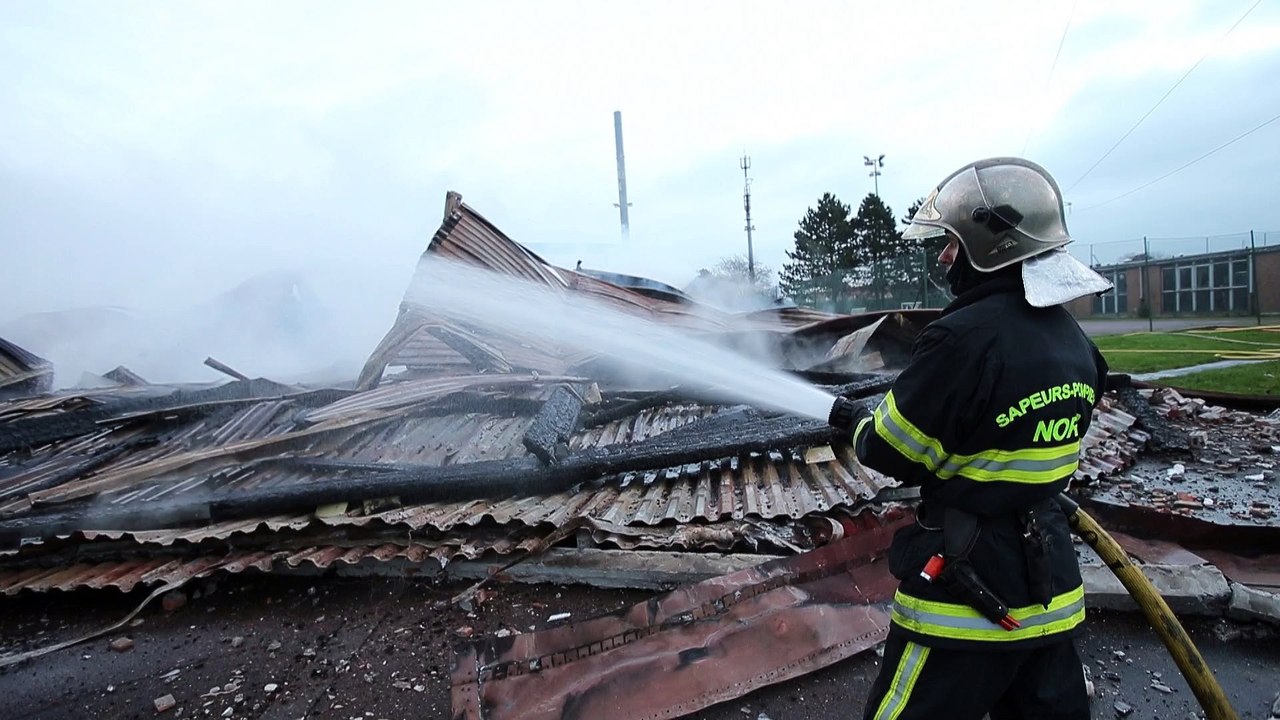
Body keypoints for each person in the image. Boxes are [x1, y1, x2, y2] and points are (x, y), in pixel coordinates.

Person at [827, 157, 1113, 720]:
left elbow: (891, 447)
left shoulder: (962, 337)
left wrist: (856, 420)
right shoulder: (1070, 337)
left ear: (990, 247)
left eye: (952, 243)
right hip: (1047, 585)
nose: (943, 256)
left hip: (966, 591)